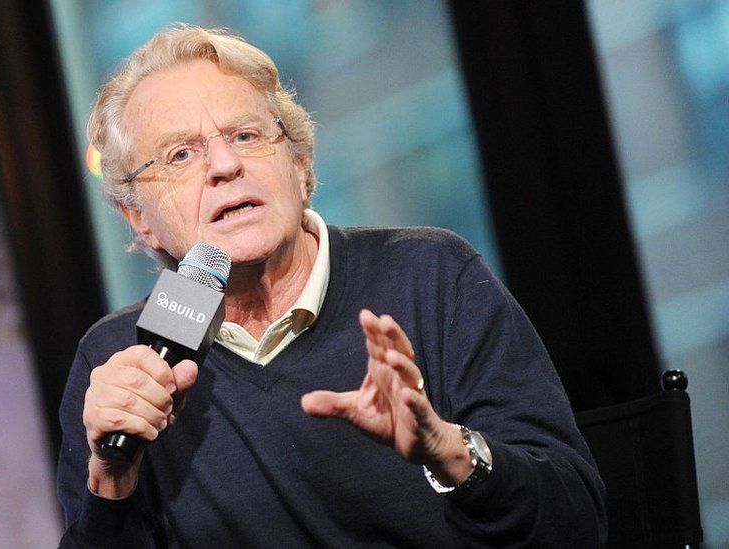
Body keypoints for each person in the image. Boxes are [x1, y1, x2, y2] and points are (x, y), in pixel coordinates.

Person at [57, 24, 606, 548]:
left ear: (298, 164)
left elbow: (575, 522)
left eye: (245, 135)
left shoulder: (433, 276)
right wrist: (111, 478)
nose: (225, 165)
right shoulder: (115, 361)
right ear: (139, 219)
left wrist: (448, 451)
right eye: (181, 155)